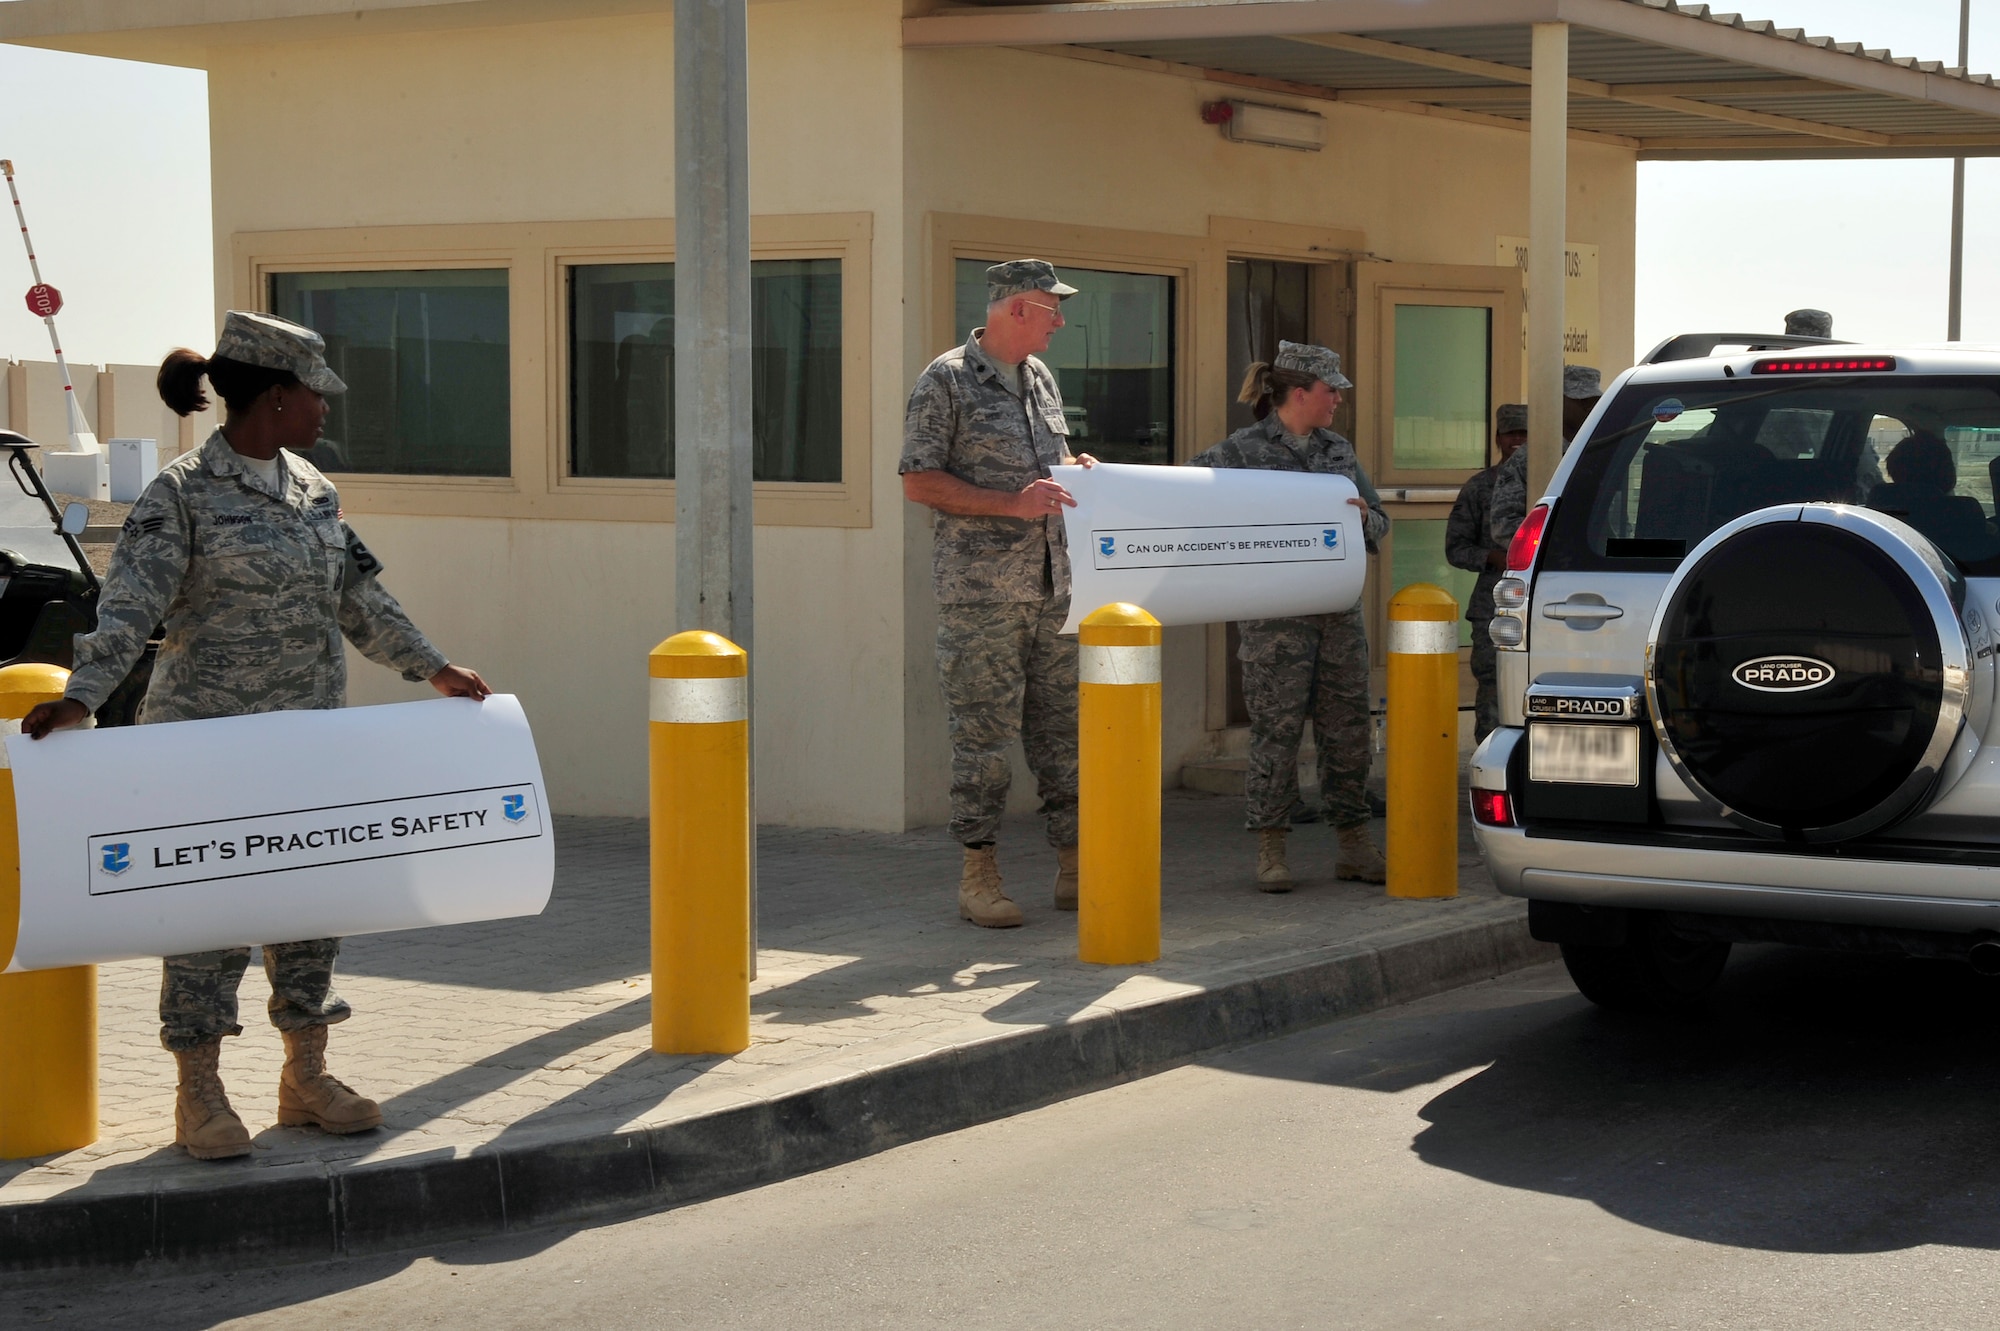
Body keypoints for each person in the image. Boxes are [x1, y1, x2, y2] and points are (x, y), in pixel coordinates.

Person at [22, 311, 492, 1162]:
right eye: (315, 393)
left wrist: (433, 667)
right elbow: (128, 606)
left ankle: (305, 1076)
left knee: (309, 908)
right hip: (208, 753)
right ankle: (199, 1092)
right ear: (275, 395)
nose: (325, 409)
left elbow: (359, 599)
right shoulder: (180, 494)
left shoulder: (315, 490)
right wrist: (80, 697)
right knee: (209, 916)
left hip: (307, 747)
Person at [899, 260, 1098, 928]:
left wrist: (1079, 471)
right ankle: (978, 875)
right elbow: (919, 480)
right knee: (983, 739)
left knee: (1064, 734)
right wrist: (1011, 504)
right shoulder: (946, 380)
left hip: (1054, 588)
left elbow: (1047, 471)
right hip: (982, 595)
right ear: (1016, 309)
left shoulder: (1039, 378)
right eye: (1051, 308)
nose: (1060, 322)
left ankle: (1075, 865)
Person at [1190, 341, 1390, 891]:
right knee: (1275, 734)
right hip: (1274, 623)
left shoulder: (1338, 451)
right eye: (1331, 391)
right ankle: (1271, 848)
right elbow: (1185, 498)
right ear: (1300, 393)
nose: (1338, 400)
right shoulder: (1241, 451)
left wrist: (1363, 519)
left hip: (1337, 617)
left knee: (1347, 731)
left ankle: (1353, 844)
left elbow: (1380, 520)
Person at [1447, 404, 1527, 741]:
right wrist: (1492, 557)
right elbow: (1455, 548)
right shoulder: (1479, 487)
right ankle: (1490, 760)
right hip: (1493, 606)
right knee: (1494, 689)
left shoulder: (1554, 482)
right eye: (1511, 433)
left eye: (1525, 433)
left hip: (1541, 602)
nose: (1517, 440)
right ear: (1497, 438)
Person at [1489, 365, 1601, 555]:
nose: (1588, 407)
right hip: (1555, 563)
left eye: (1593, 401)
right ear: (1560, 401)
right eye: (1581, 400)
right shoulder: (1532, 457)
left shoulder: (1601, 450)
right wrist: (1555, 545)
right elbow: (1503, 524)